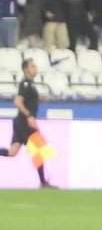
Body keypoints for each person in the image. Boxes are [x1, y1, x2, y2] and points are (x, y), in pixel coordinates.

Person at [5, 58, 54, 187]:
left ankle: (43, 182)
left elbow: (28, 100)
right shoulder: (25, 84)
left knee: (12, 152)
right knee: (39, 149)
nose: (35, 68)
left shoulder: (30, 84)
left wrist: (40, 99)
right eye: (32, 66)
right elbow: (18, 102)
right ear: (26, 69)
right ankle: (43, 182)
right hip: (24, 122)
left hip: (20, 123)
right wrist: (29, 116)